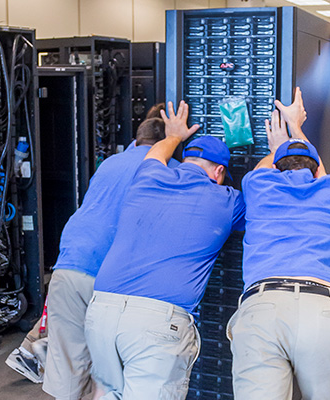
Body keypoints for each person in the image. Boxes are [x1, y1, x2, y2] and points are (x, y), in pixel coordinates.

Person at [5, 117, 178, 399]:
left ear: (136, 140)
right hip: (112, 277)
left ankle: (41, 348)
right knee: (115, 369)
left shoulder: (110, 163)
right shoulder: (166, 169)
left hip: (70, 262)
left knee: (69, 365)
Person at [84, 101, 246, 399]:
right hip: (156, 322)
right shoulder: (225, 200)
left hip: (102, 310)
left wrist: (173, 136)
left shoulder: (148, 177)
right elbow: (264, 191)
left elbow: (155, 154)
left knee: (105, 394)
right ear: (219, 171)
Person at [226, 87, 330, 399]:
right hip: (321, 312)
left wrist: (277, 145)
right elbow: (319, 170)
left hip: (262, 308)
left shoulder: (260, 188)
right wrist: (296, 127)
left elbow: (264, 167)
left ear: (277, 169)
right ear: (315, 169)